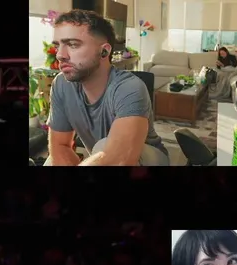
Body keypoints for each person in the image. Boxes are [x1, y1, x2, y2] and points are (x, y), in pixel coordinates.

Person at [45, 9, 168, 166]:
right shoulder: (61, 84)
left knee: (103, 146)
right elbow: (60, 145)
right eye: (57, 46)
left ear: (104, 51)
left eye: (73, 45)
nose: (60, 55)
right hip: (101, 155)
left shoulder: (129, 87)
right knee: (50, 161)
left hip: (148, 159)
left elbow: (118, 159)